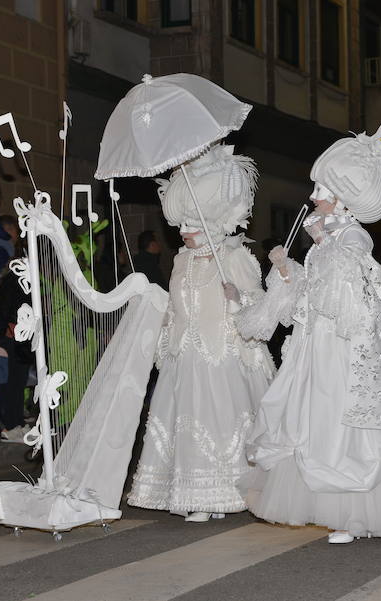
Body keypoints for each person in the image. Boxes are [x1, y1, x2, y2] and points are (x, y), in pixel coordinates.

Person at [238, 123, 381, 544]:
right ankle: (340, 514)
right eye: (316, 189)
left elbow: (350, 294)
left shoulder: (353, 237)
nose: (313, 197)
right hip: (318, 345)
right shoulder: (327, 239)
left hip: (346, 348)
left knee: (351, 429)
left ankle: (356, 516)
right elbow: (310, 294)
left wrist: (326, 243)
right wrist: (287, 267)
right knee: (317, 424)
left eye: (320, 190)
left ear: (341, 198)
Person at [127, 144, 275, 523]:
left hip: (222, 357)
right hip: (185, 357)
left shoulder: (235, 257)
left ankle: (223, 495)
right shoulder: (180, 260)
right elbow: (177, 307)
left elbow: (261, 304)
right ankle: (197, 495)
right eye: (181, 226)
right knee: (187, 426)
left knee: (220, 423)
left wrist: (237, 297)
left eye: (190, 226)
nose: (183, 233)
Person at [0, 240, 33, 441]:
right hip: (14, 334)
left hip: (22, 334)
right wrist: (9, 327)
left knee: (19, 381)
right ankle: (10, 425)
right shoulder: (15, 277)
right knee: (13, 383)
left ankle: (17, 422)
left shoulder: (27, 276)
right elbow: (6, 306)